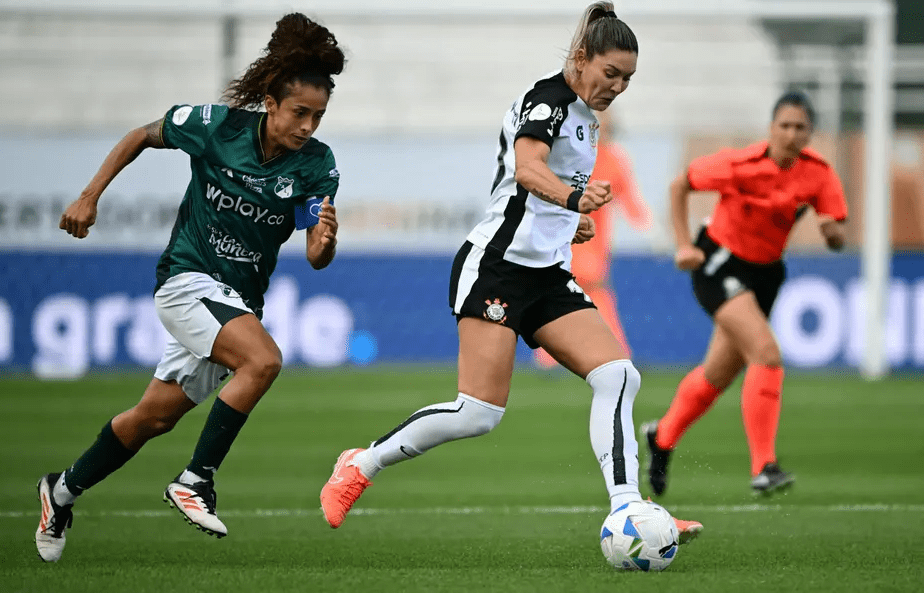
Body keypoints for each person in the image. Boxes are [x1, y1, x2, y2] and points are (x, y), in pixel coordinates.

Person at [318, 2, 703, 542]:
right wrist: (574, 200)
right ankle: (361, 464)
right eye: (611, 73)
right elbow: (526, 170)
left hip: (546, 274)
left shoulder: (586, 118)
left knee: (619, 375)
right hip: (495, 269)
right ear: (582, 58)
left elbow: (535, 196)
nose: (618, 87)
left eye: (627, 79)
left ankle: (629, 510)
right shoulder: (549, 100)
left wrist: (568, 223)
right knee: (478, 413)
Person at [35, 13, 344, 562]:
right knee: (264, 361)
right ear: (270, 103)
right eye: (299, 112)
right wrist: (89, 195)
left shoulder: (317, 165)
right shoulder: (216, 127)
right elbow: (141, 135)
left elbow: (316, 256)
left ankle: (60, 490)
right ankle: (195, 480)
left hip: (236, 302)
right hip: (186, 279)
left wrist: (324, 239)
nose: (307, 126)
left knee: (153, 417)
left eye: (317, 116)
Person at [641, 91, 848, 497]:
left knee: (716, 376)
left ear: (810, 133)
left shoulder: (818, 174)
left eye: (800, 127)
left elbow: (838, 232)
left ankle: (661, 437)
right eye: (784, 125)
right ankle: (764, 467)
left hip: (766, 274)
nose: (791, 134)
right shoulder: (739, 164)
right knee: (766, 353)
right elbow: (680, 184)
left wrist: (833, 235)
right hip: (720, 262)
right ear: (771, 128)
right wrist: (683, 244)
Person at [534, 113, 651, 368]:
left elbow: (628, 199)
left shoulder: (611, 159)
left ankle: (551, 354)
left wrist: (645, 226)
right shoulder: (574, 157)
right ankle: (611, 351)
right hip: (568, 236)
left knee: (582, 290)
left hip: (593, 241)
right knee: (586, 290)